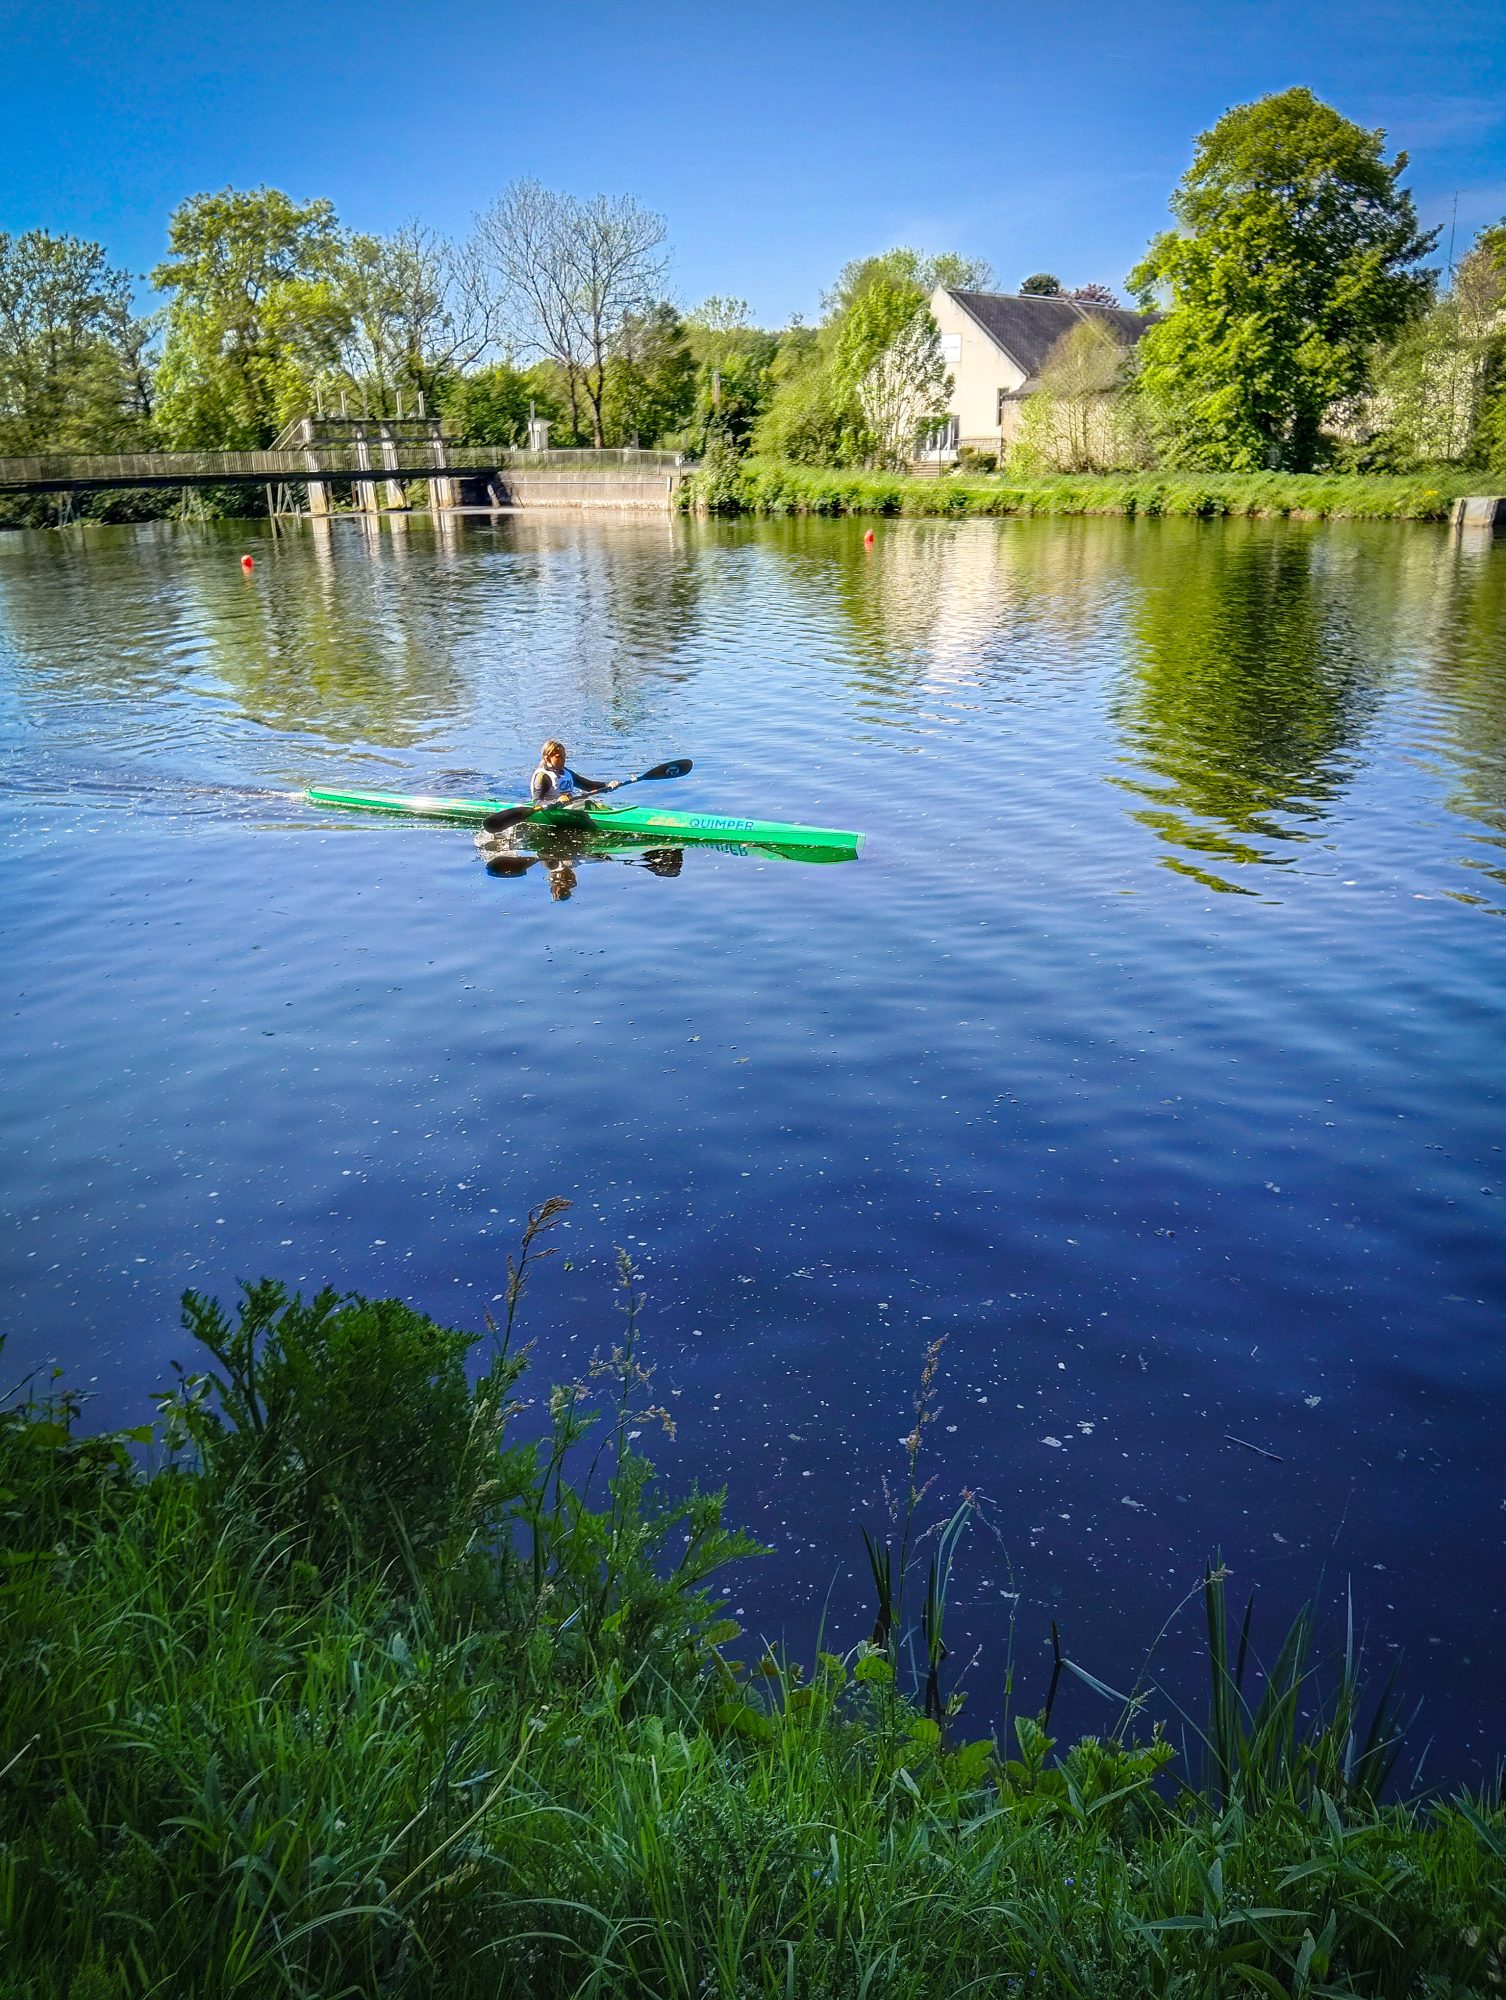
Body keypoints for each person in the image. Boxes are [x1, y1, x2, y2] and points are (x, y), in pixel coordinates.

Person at [531, 740, 611, 806]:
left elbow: (588, 785)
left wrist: (607, 785)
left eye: (564, 756)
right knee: (587, 804)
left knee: (593, 803)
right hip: (552, 809)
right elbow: (536, 803)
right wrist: (557, 801)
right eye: (559, 756)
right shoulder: (542, 776)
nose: (563, 759)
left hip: (568, 807)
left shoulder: (566, 772)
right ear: (547, 758)